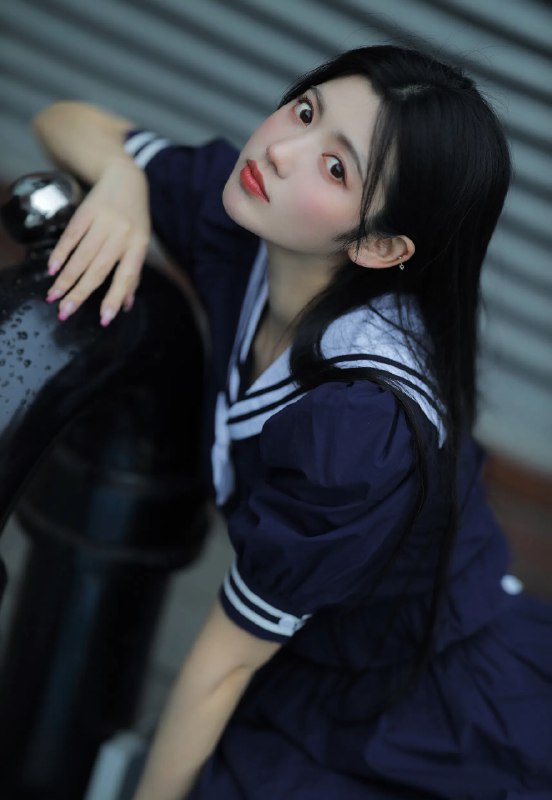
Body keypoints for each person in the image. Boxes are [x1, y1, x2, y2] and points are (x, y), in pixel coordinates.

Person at [33, 45, 552, 799]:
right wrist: (121, 182)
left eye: (335, 168)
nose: (281, 150)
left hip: (410, 693)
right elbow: (64, 118)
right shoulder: (248, 224)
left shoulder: (359, 425)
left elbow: (224, 664)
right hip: (308, 651)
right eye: (305, 110)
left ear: (380, 245)